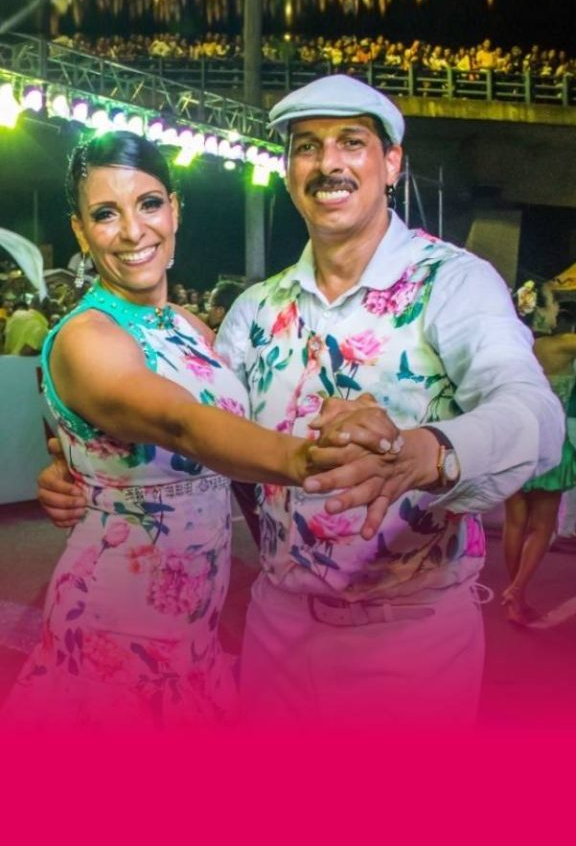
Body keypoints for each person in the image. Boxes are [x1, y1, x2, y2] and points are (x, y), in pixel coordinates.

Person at [38, 77, 564, 727]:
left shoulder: (452, 284)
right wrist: (84, 466)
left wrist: (428, 454)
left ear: (392, 162)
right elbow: (199, 429)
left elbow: (535, 416)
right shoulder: (254, 312)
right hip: (274, 631)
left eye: (351, 142)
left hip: (410, 637)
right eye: (307, 146)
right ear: (288, 172)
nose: (328, 163)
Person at [10, 130, 386, 728]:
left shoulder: (189, 327)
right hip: (114, 626)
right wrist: (305, 460)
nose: (133, 231)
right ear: (80, 232)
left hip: (195, 630)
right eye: (105, 214)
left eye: (148, 204)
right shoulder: (87, 337)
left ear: (175, 209)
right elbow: (182, 423)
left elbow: (231, 432)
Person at [501, 281, 576, 624]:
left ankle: (515, 595)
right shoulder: (562, 346)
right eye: (554, 305)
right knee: (542, 525)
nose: (559, 310)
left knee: (515, 522)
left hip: (514, 439)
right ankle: (517, 590)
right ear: (542, 312)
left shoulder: (511, 346)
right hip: (549, 442)